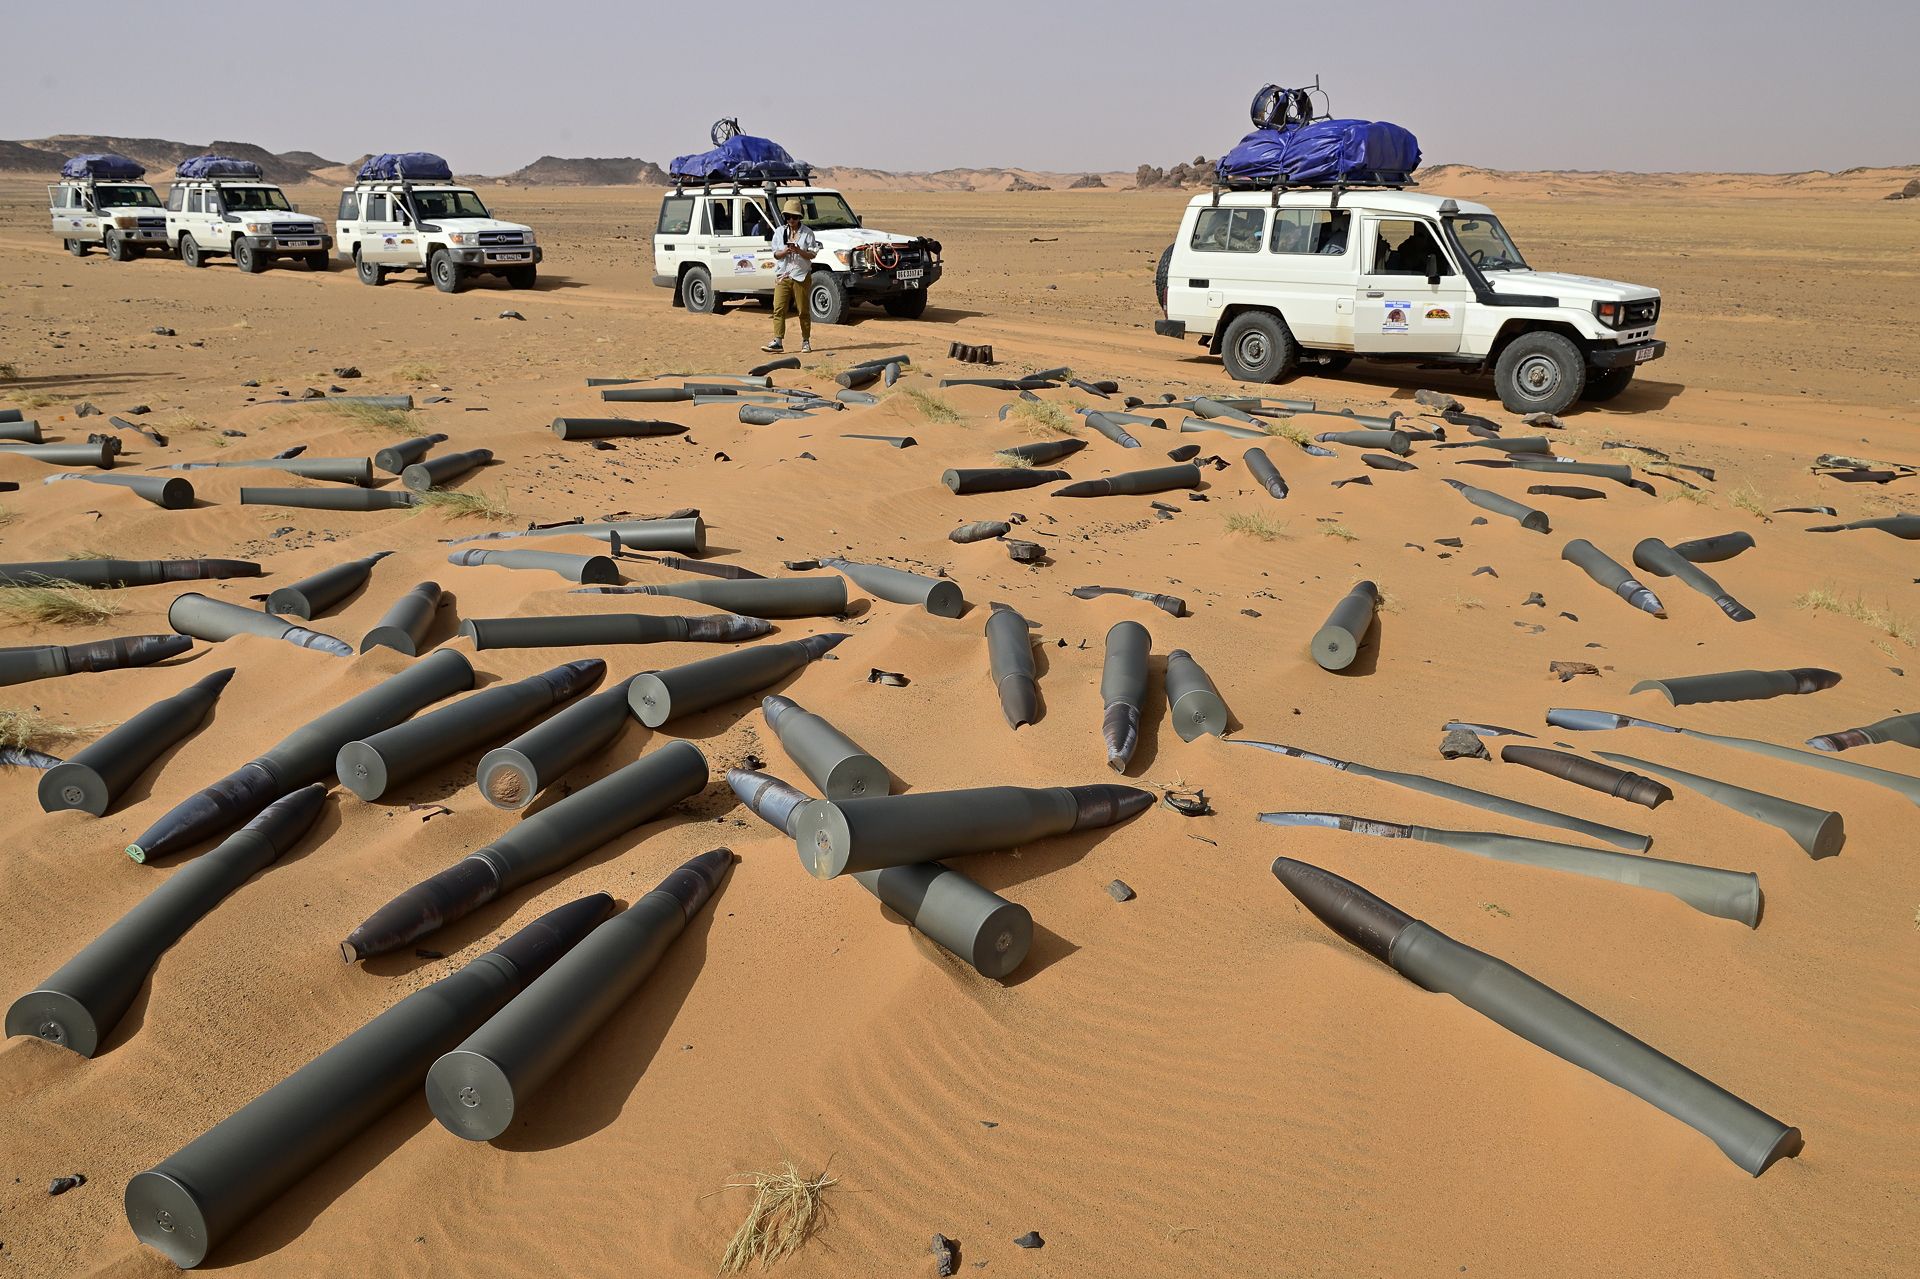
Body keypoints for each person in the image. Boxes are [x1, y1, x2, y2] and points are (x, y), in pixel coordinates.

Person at [765, 197, 819, 353]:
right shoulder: (779, 232)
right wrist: (785, 252)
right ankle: (778, 341)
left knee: (803, 310)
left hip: (801, 276)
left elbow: (812, 254)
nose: (791, 220)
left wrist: (799, 251)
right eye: (788, 216)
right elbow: (775, 254)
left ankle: (806, 341)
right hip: (783, 275)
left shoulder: (808, 233)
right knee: (778, 308)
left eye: (794, 217)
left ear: (800, 217)